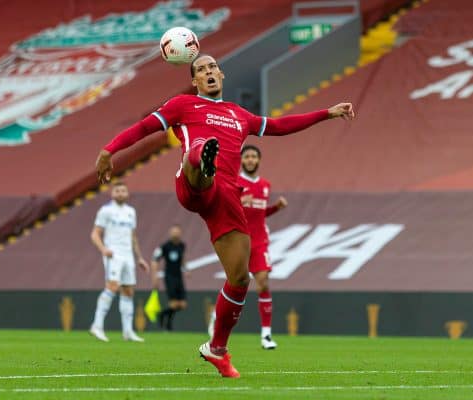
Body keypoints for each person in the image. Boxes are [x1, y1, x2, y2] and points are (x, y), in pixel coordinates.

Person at [95, 54, 355, 377]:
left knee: (240, 278)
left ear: (221, 74)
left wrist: (326, 113)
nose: (208, 72)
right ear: (195, 81)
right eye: (200, 69)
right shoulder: (183, 105)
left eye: (211, 67)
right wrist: (109, 151)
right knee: (202, 151)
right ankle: (203, 159)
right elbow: (144, 127)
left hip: (226, 198)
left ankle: (217, 349)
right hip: (192, 185)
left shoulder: (239, 115)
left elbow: (279, 126)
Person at [209, 145, 287, 349]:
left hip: (259, 241)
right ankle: (216, 316)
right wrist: (241, 201)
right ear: (242, 160)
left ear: (259, 160)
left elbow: (258, 214)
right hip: (238, 240)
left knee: (263, 283)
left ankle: (266, 336)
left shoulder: (265, 185)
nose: (251, 160)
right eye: (247, 156)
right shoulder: (234, 182)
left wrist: (275, 208)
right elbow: (227, 209)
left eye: (254, 156)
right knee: (234, 284)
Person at [89, 181, 149, 343]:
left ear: (127, 194)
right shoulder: (106, 211)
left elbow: (133, 236)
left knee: (128, 291)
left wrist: (140, 258)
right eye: (117, 191)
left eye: (123, 191)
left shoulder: (131, 212)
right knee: (113, 286)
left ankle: (128, 331)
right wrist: (103, 249)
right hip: (113, 254)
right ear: (112, 193)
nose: (121, 193)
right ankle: (97, 325)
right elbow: (95, 234)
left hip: (128, 255)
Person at [151, 224, 188, 331]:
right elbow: (155, 260)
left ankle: (162, 314)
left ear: (180, 233)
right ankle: (168, 325)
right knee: (174, 303)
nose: (175, 234)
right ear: (170, 233)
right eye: (173, 232)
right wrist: (155, 276)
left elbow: (183, 258)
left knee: (182, 304)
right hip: (169, 277)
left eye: (177, 232)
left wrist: (186, 269)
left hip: (179, 277)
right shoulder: (165, 246)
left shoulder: (182, 245)